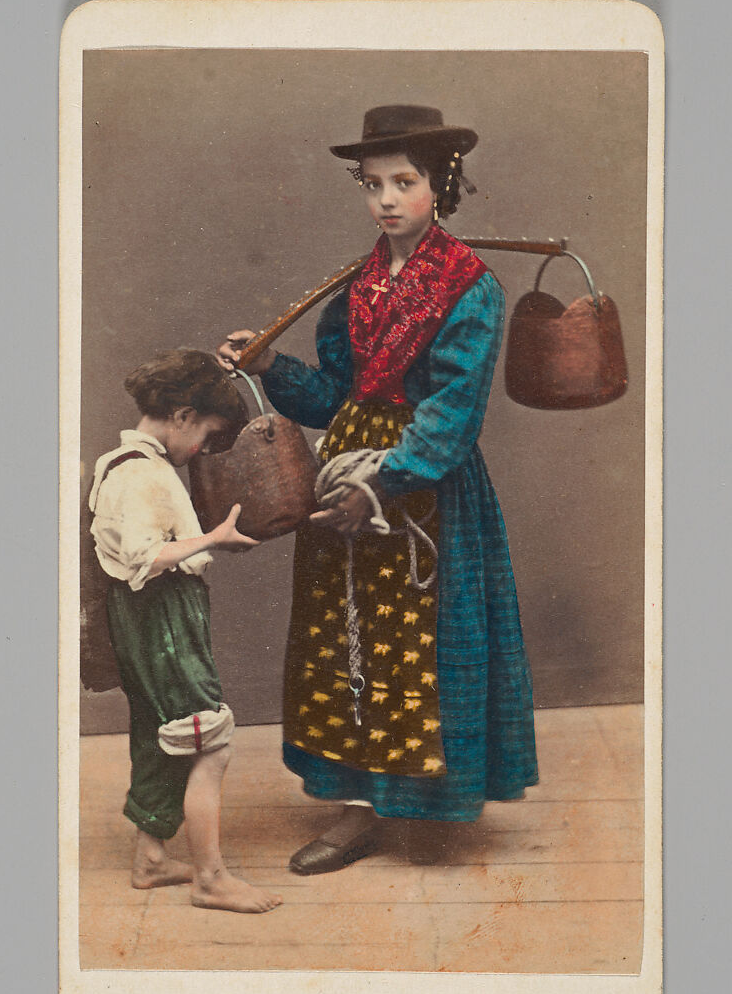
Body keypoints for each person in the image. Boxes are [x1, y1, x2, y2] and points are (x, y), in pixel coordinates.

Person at [218, 105, 539, 874]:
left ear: (441, 185)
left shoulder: (471, 288)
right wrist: (270, 369)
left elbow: (452, 411)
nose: (386, 200)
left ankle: (427, 811)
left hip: (422, 485)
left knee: (420, 645)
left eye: (405, 182)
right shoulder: (357, 286)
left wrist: (382, 486)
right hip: (346, 477)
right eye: (373, 185)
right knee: (345, 643)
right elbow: (336, 398)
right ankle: (358, 811)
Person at [89, 349, 282, 913]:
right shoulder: (145, 473)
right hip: (161, 615)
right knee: (208, 743)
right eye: (205, 434)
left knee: (160, 735)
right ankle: (210, 878)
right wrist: (212, 539)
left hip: (138, 617)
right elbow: (145, 559)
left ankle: (151, 858)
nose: (202, 449)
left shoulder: (115, 460)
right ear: (180, 415)